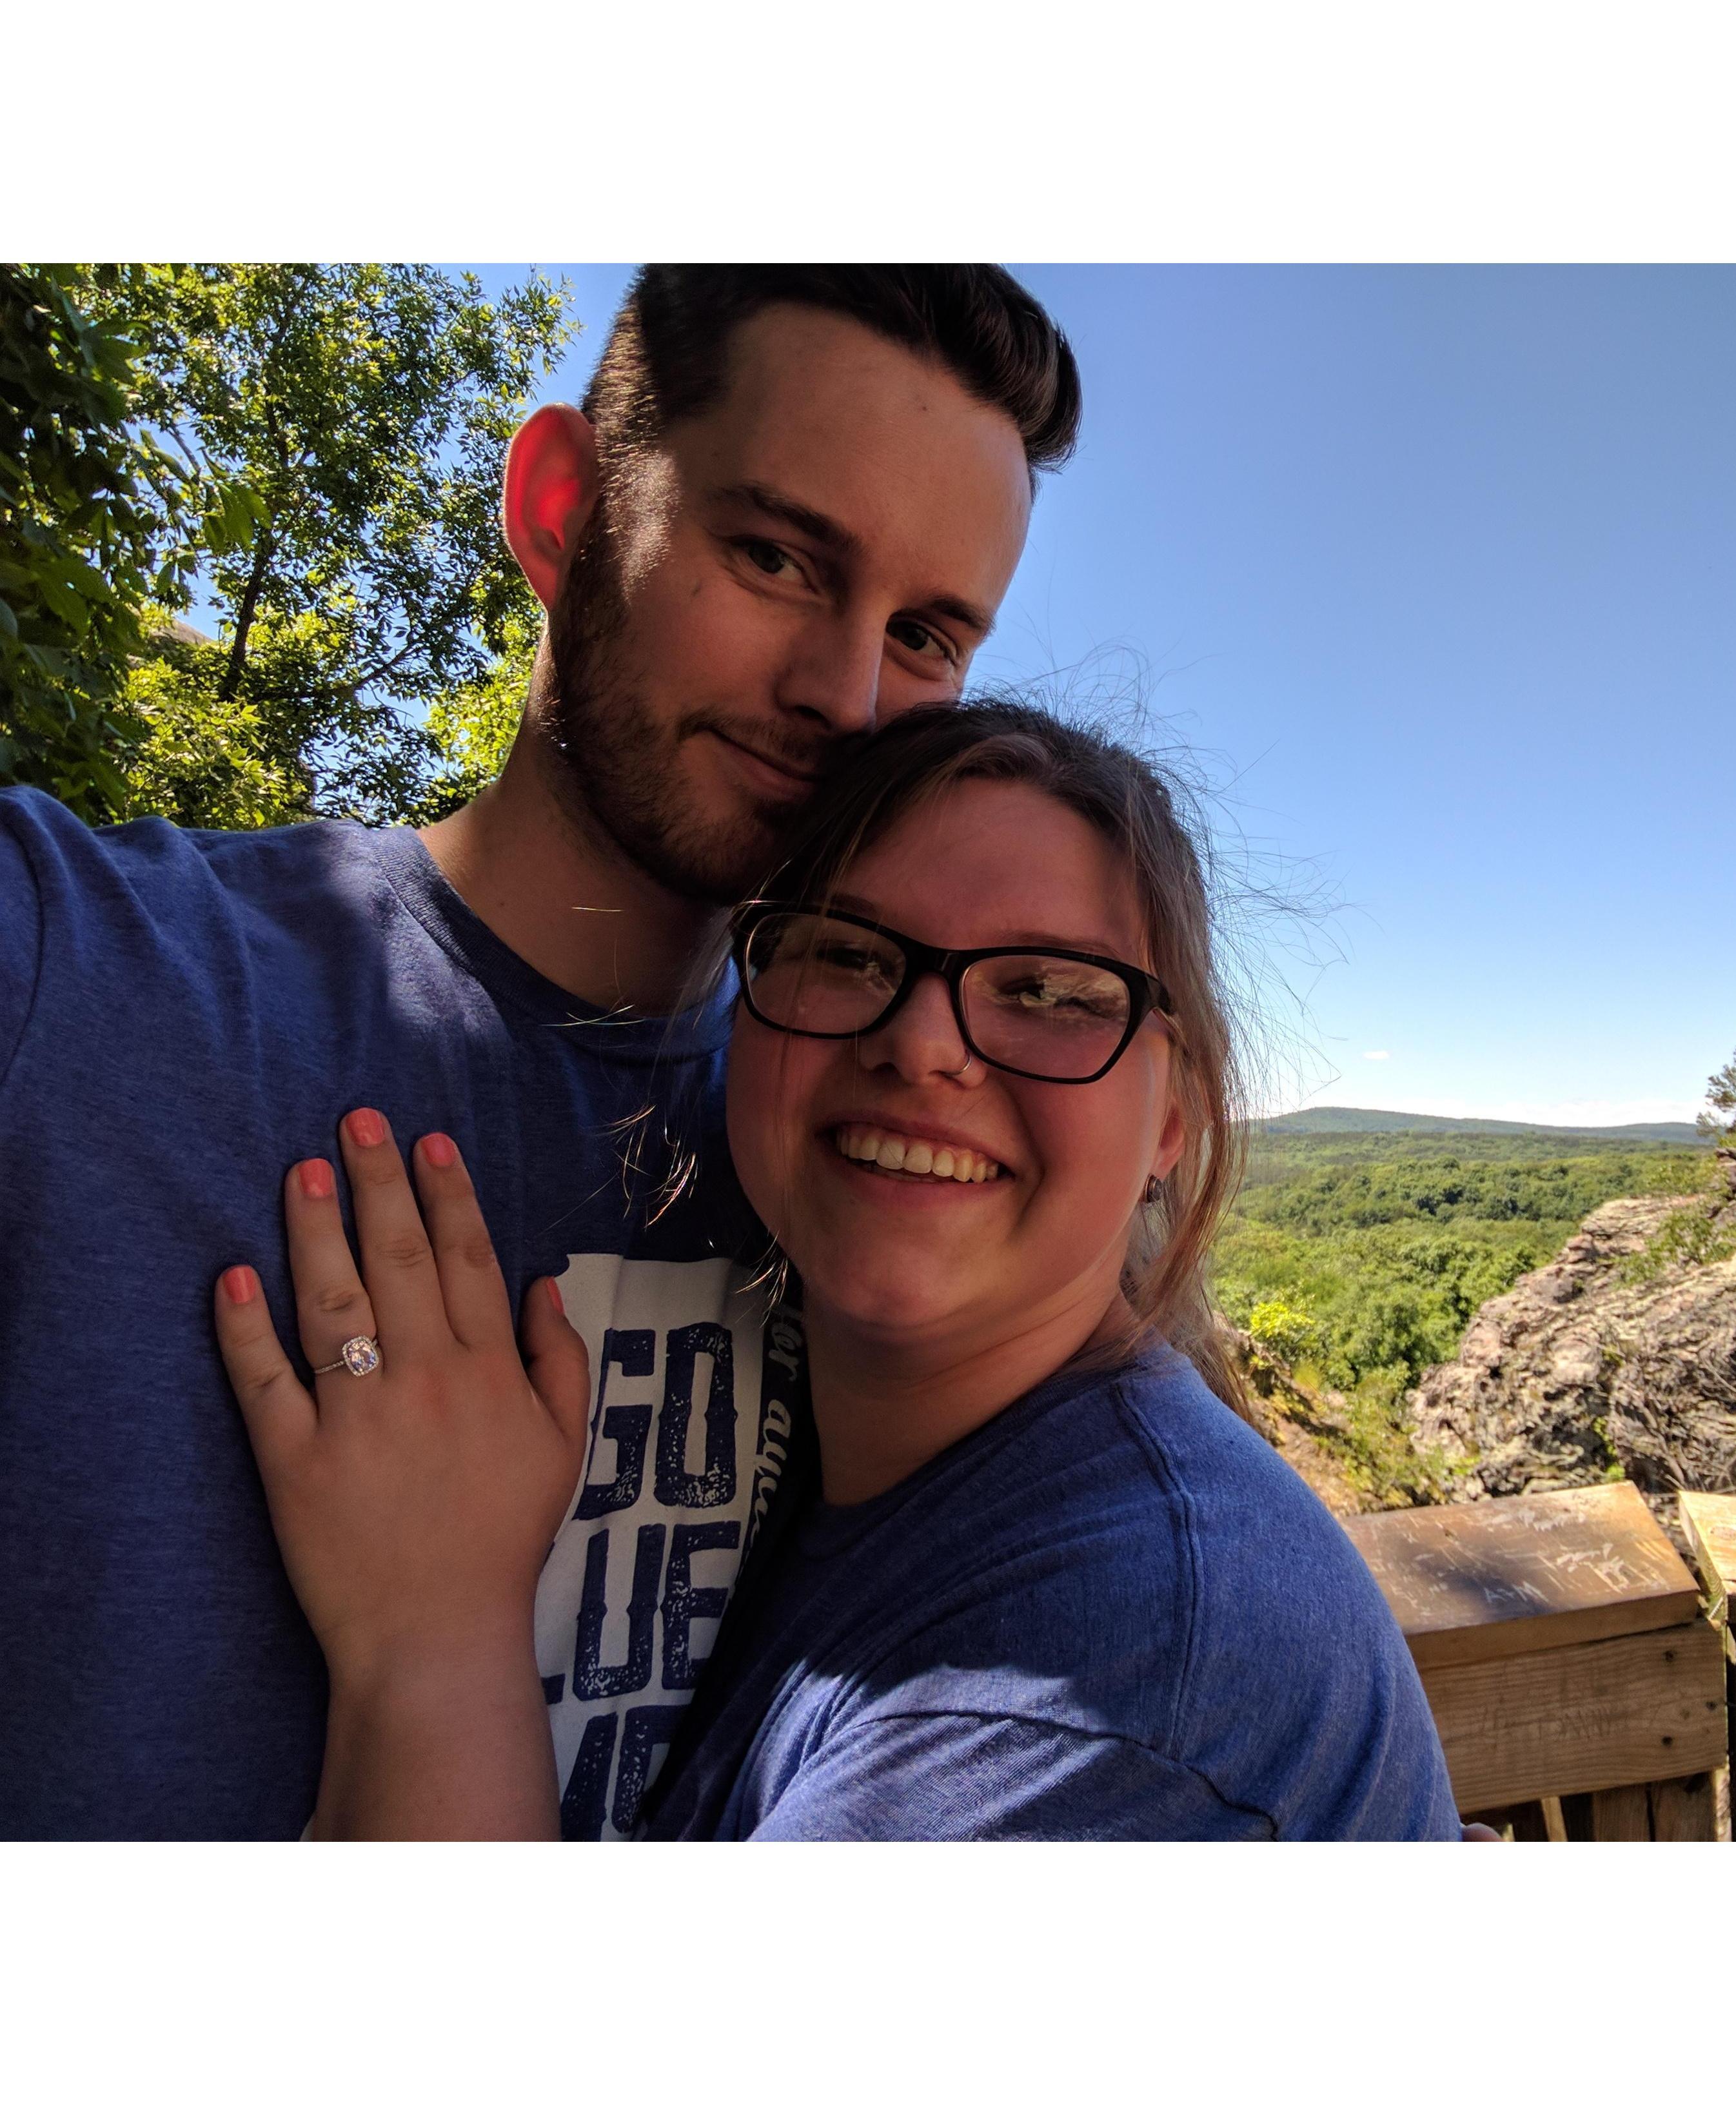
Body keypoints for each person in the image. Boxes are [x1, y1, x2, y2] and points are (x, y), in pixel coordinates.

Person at [0, 266, 1080, 1839]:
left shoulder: (877, 1166)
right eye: (776, 557)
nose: (845, 699)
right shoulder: (81, 970)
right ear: (563, 507)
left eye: (923, 635)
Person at [213, 702, 1464, 1839]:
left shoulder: (1114, 1676)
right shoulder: (877, 1475)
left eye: (1047, 990)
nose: (920, 1044)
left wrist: (435, 1641)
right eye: (849, 953)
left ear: (1174, 1121)